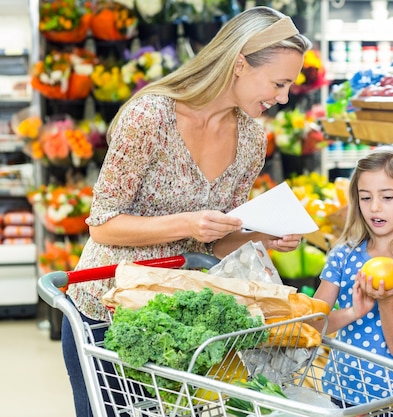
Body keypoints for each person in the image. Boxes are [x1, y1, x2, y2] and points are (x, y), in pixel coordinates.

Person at [61, 6, 311, 417]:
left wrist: (261, 235)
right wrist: (187, 223)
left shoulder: (251, 139)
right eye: (279, 83)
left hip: (185, 320)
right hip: (108, 310)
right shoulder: (151, 116)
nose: (283, 97)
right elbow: (103, 225)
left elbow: (217, 237)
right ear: (240, 65)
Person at [313, 144, 393, 408]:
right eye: (366, 197)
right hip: (342, 388)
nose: (375, 208)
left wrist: (385, 301)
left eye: (388, 197)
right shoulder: (343, 255)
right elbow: (313, 325)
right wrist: (352, 313)